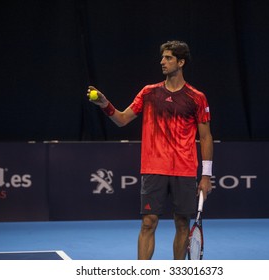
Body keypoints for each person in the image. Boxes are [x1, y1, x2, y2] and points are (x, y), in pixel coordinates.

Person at [87, 40, 213, 260]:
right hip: (154, 167)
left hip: (184, 169)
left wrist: (206, 175)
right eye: (162, 57)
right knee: (148, 222)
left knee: (182, 223)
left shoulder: (197, 97)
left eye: (168, 58)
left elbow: (205, 136)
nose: (162, 61)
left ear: (181, 62)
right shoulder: (148, 93)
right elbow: (123, 119)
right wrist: (105, 104)